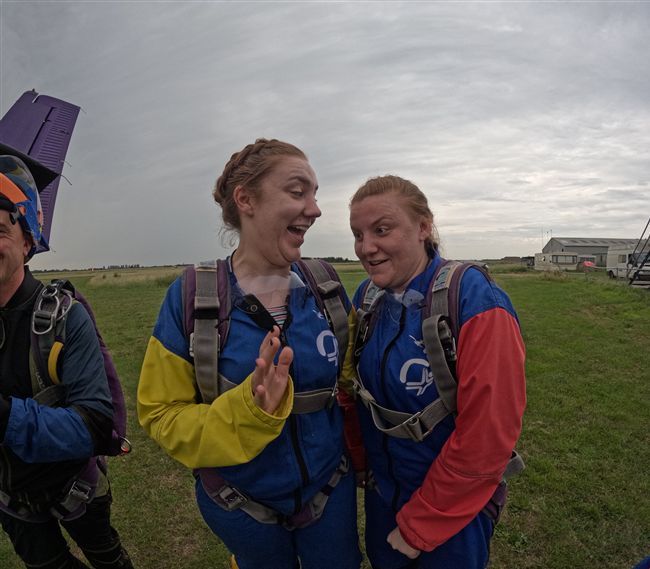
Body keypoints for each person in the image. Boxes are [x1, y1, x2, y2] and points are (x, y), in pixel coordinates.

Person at [137, 138, 361, 569]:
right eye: (297, 192)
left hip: (330, 490)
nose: (315, 209)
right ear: (246, 200)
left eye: (315, 195)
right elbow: (161, 415)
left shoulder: (326, 287)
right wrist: (250, 410)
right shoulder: (192, 298)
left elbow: (351, 380)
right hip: (240, 504)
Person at [348, 175, 526, 569]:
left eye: (381, 230)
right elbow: (353, 392)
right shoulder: (368, 299)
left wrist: (422, 524)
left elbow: (488, 435)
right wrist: (360, 461)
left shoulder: (475, 300)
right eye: (358, 234)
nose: (366, 247)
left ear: (423, 227)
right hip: (383, 500)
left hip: (453, 516)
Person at [0, 144, 133, 568]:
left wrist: (5, 416)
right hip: (10, 501)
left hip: (75, 489)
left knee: (106, 557)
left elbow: (94, 425)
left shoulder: (63, 317)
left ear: (27, 241)